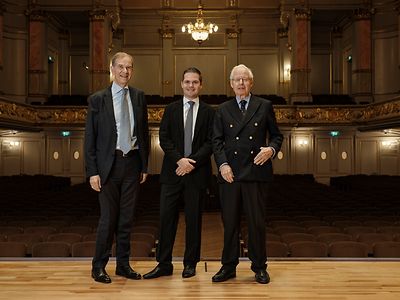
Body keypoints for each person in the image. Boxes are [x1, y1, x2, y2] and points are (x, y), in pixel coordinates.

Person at [212, 64, 283, 284]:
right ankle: (228, 266)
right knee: (230, 222)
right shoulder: (222, 109)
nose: (241, 83)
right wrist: (222, 164)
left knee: (256, 223)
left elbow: (277, 136)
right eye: (237, 80)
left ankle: (259, 267)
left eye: (245, 79)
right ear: (231, 84)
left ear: (251, 83)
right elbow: (216, 141)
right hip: (230, 174)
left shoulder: (264, 105)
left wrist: (271, 150)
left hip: (256, 172)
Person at [143, 67, 214, 279]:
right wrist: (180, 160)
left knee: (193, 221)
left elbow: (211, 142)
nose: (191, 85)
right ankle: (163, 264)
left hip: (197, 173)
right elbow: (163, 138)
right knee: (166, 219)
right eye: (187, 82)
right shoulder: (171, 109)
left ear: (201, 85)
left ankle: (190, 264)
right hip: (172, 173)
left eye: (195, 82)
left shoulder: (210, 112)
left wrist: (191, 162)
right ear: (182, 84)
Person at [84, 52, 149, 284]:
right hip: (107, 167)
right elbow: (90, 139)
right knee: (108, 219)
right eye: (120, 67)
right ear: (112, 69)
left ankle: (123, 265)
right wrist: (92, 171)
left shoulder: (139, 96)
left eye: (129, 67)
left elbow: (143, 133)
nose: (125, 71)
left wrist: (144, 165)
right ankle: (98, 266)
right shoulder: (97, 99)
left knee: (126, 219)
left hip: (132, 163)